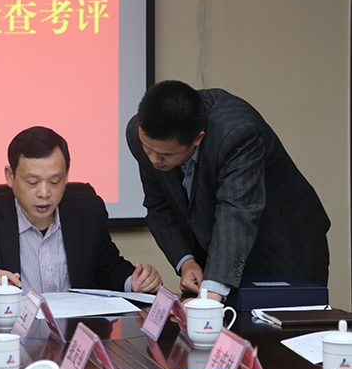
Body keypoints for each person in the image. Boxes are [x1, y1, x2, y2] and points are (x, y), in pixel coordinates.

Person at [126, 80, 330, 302]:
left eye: (166, 155)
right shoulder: (140, 135)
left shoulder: (237, 132)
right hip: (219, 250)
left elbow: (237, 211)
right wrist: (186, 261)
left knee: (280, 323)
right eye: (148, 150)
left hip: (281, 246)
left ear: (198, 138)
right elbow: (159, 206)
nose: (154, 160)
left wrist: (210, 296)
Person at [0, 126, 162, 295]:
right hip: (10, 337)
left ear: (67, 175)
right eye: (32, 182)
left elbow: (107, 267)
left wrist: (133, 282)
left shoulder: (88, 212)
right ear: (10, 176)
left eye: (55, 181)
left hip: (74, 335)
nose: (44, 193)